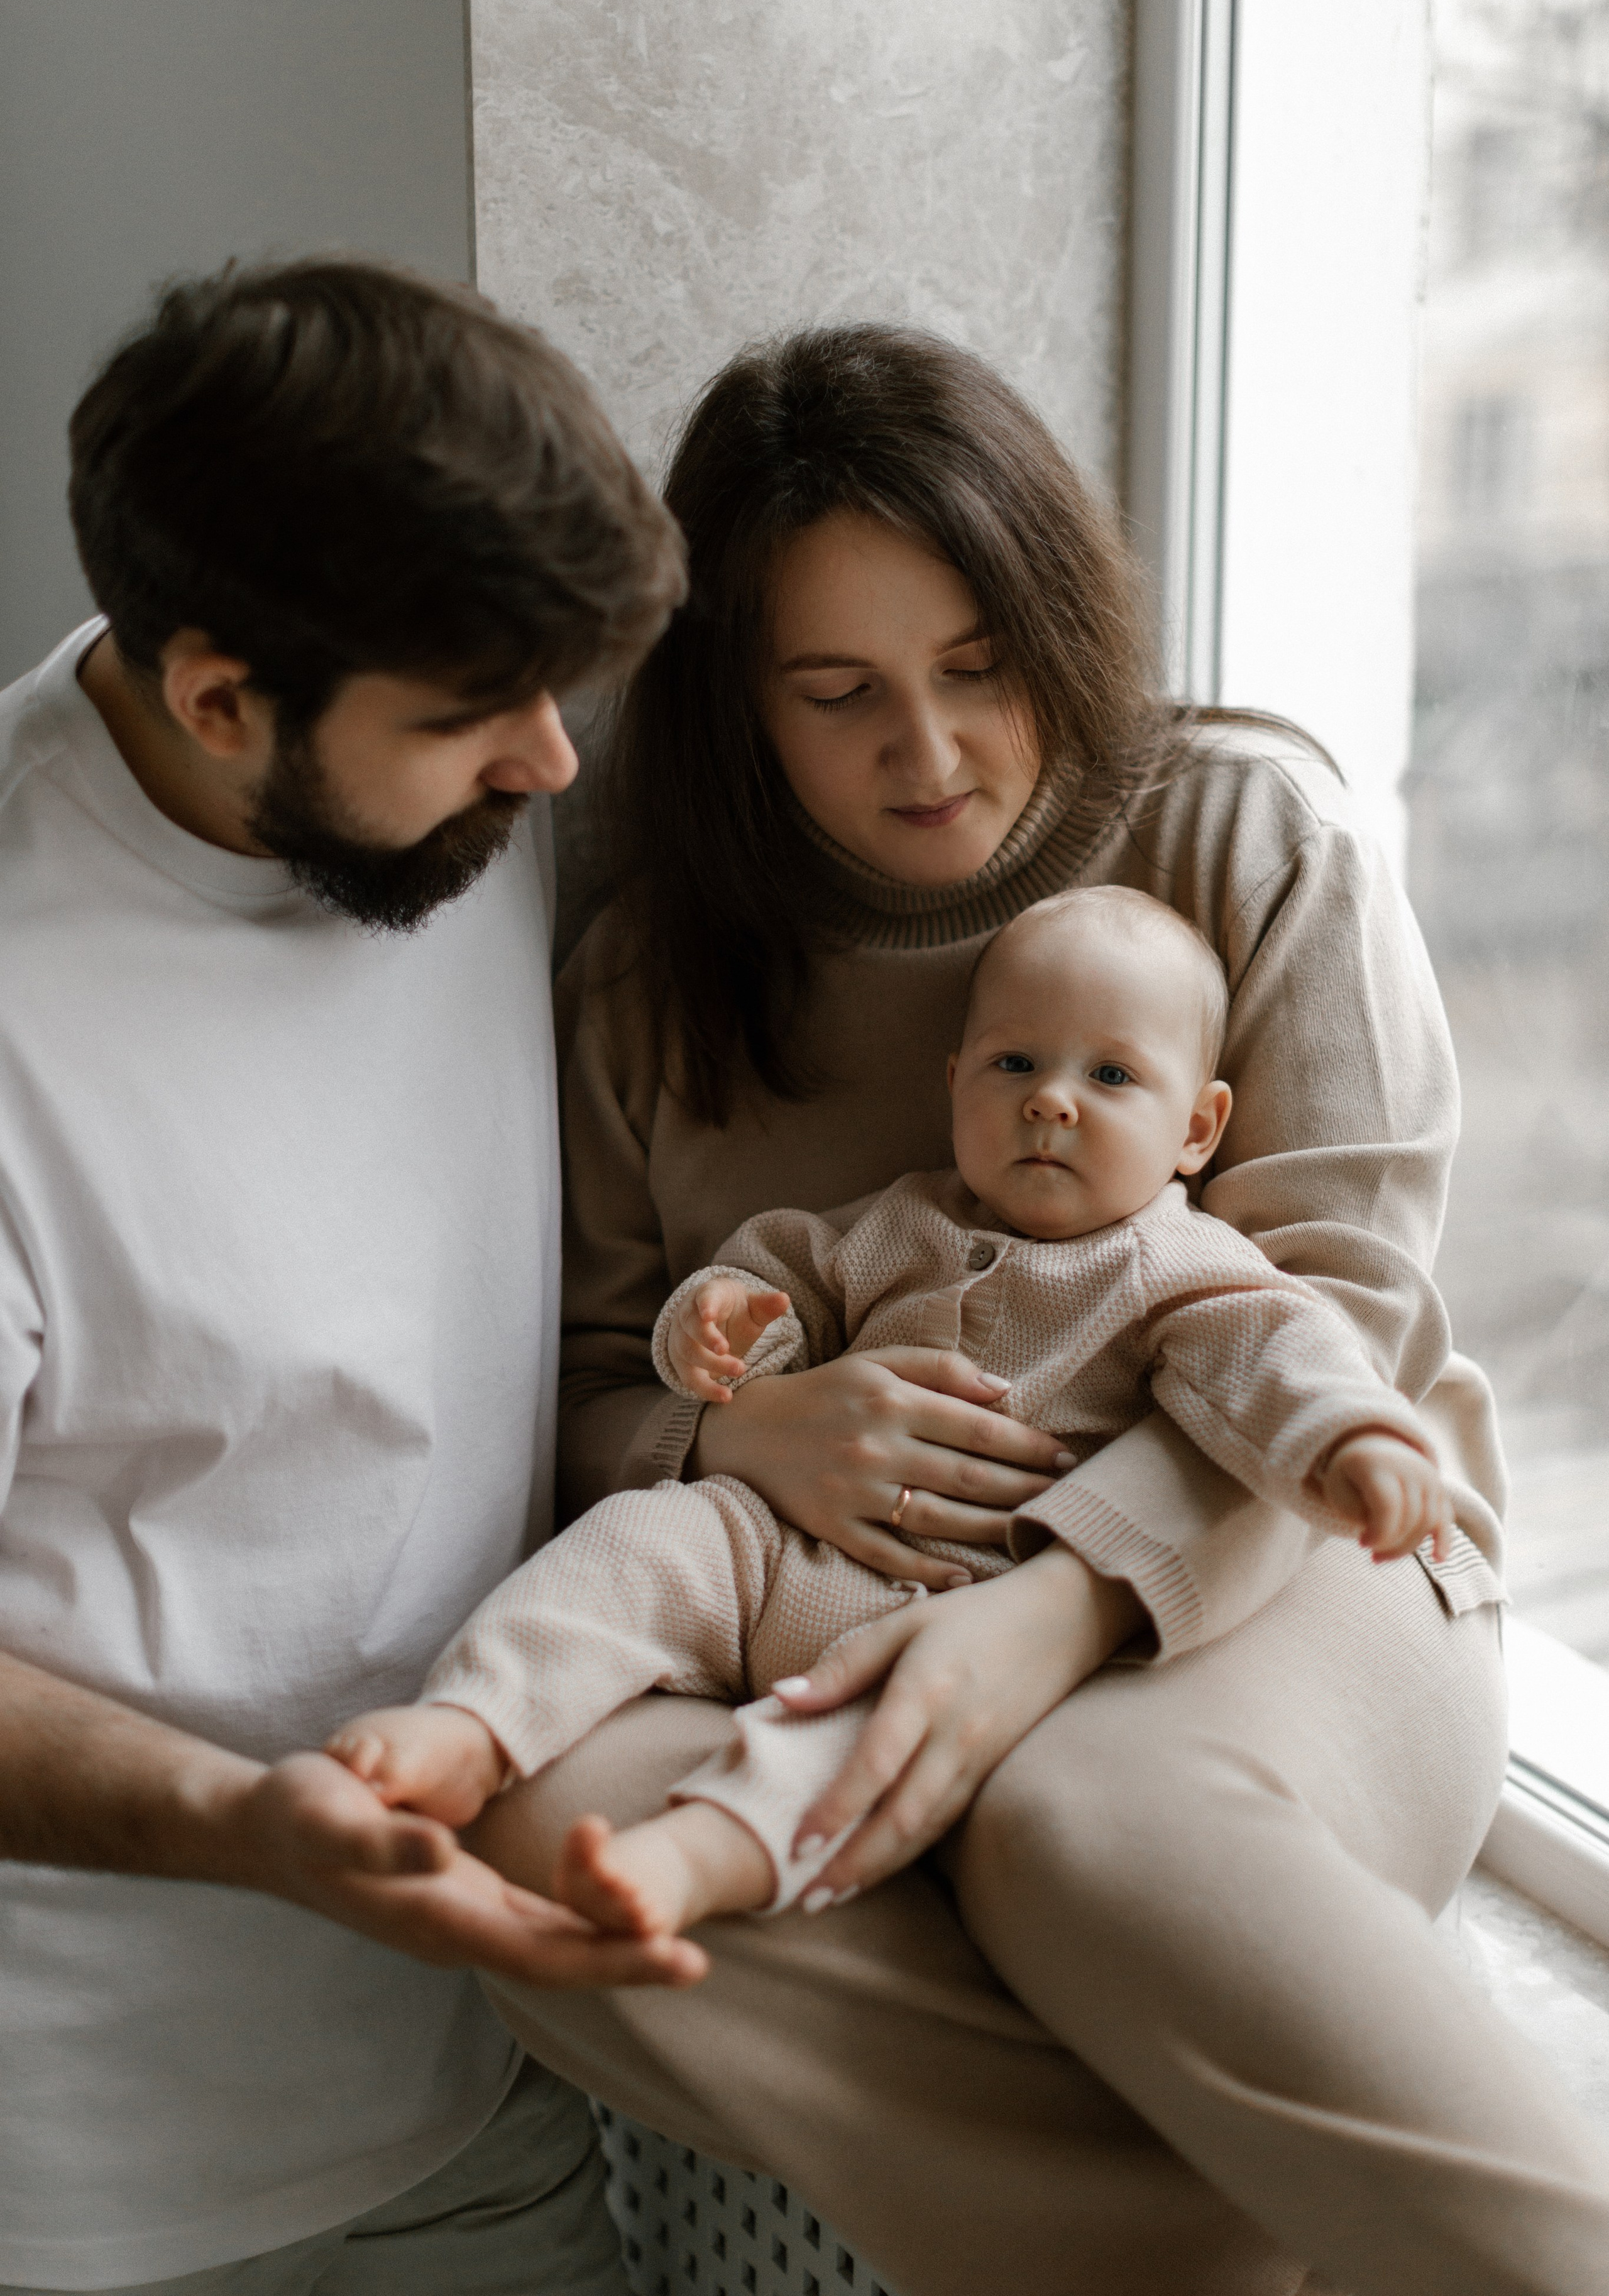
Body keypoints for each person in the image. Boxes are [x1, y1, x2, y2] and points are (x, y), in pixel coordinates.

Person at [463, 327, 1609, 2296]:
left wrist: (1053, 1613)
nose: (930, 755)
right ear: (740, 707)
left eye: (977, 667)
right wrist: (732, 1436)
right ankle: (1237, 2240)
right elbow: (573, 1385)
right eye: (842, 695)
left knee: (1079, 1815)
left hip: (1294, 1552)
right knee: (531, 1836)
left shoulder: (1244, 837)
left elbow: (1327, 1315)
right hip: (832, 1610)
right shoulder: (657, 975)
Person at [0, 258, 706, 2296]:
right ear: (223, 699)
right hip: (94, 2180)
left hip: (480, 2091)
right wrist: (249, 1824)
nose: (556, 767)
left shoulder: (436, 791)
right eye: (483, 718)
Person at [329, 882, 1473, 1940]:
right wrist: (722, 1325)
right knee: (637, 1547)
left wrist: (1356, 1434)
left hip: (966, 1599)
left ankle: (698, 1858)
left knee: (874, 1729)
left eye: (1112, 1078)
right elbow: (781, 1289)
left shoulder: (1176, 1269)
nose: (1052, 1103)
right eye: (1014, 1063)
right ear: (954, 1083)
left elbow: (1279, 1359)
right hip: (776, 1549)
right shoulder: (897, 1223)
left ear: (1198, 1130)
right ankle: (477, 1721)